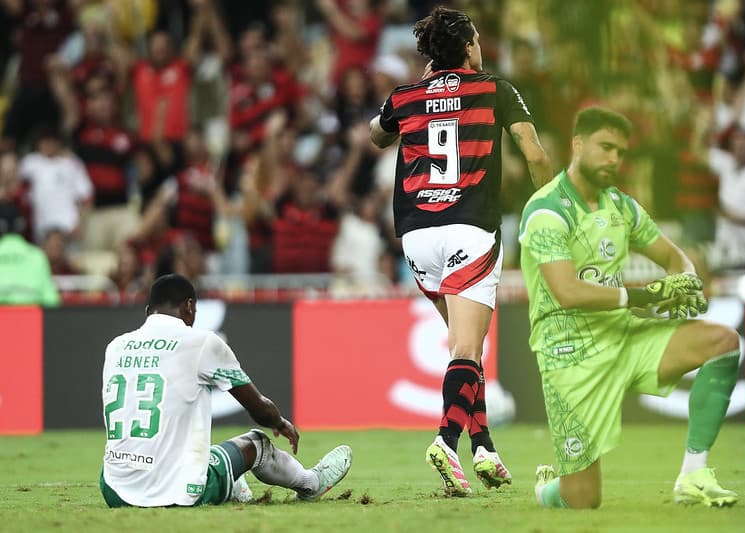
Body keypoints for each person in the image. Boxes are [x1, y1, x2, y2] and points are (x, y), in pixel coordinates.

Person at [369, 6, 552, 496]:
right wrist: (556, 209)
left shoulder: (405, 95)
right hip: (468, 228)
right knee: (468, 350)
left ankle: (484, 447)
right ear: (469, 46)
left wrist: (422, 90)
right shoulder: (495, 89)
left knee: (463, 349)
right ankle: (446, 442)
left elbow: (376, 135)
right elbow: (534, 154)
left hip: (417, 238)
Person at [518, 107, 740, 509]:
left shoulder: (621, 207)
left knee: (722, 343)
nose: (614, 159)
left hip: (625, 338)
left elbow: (674, 258)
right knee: (583, 500)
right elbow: (567, 292)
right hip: (569, 356)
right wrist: (646, 296)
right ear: (578, 144)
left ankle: (693, 475)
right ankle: (548, 487)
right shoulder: (546, 210)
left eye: (620, 152)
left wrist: (685, 281)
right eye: (605, 147)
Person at [100, 274, 352, 507]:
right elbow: (259, 409)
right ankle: (311, 483)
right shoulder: (200, 343)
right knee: (257, 443)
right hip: (174, 491)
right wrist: (279, 422)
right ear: (189, 306)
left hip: (114, 490)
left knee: (190, 451)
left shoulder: (116, 347)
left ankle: (232, 483)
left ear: (148, 312)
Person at [0, 201, 60, 306]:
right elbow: (51, 300)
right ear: (22, 226)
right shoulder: (37, 256)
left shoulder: (38, 256)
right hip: (31, 315)